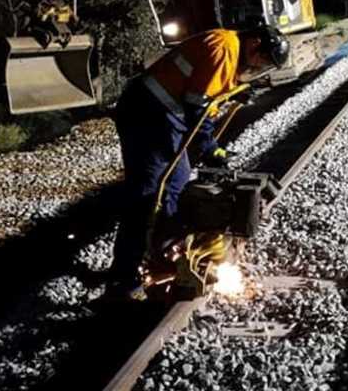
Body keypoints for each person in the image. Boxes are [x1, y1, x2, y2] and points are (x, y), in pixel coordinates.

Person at [107, 25, 289, 297]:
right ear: (254, 44)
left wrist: (234, 91)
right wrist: (211, 149)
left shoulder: (232, 50)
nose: (259, 66)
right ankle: (125, 277)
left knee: (176, 180)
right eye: (262, 60)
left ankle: (163, 249)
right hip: (147, 113)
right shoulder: (226, 47)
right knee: (151, 191)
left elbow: (204, 90)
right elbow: (197, 105)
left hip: (163, 115)